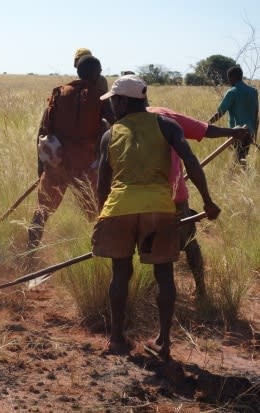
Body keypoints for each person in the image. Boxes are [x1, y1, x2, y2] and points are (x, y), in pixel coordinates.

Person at [93, 75, 221, 359]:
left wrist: (103, 214)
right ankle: (163, 342)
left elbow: (103, 182)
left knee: (120, 273)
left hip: (120, 209)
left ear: (124, 101)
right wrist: (208, 201)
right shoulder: (166, 125)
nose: (112, 106)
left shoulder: (109, 134)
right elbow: (190, 160)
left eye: (114, 101)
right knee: (164, 274)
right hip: (158, 210)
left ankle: (116, 340)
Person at [147, 106, 250, 298]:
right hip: (173, 197)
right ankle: (199, 291)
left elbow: (202, 130)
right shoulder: (163, 116)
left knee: (152, 248)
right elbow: (204, 130)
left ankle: (188, 291)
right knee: (187, 243)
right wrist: (232, 132)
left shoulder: (122, 123)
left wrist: (232, 132)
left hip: (137, 200)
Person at [27, 56, 115, 253]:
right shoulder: (101, 97)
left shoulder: (59, 93)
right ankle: (101, 254)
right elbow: (116, 127)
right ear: (97, 74)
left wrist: (41, 166)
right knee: (97, 213)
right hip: (86, 167)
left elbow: (43, 131)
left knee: (41, 212)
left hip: (57, 164)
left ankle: (29, 256)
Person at [207, 66, 259, 163]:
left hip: (236, 133)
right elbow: (256, 115)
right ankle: (243, 177)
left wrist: (206, 124)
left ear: (233, 77)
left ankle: (236, 177)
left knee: (237, 161)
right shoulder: (254, 92)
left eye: (229, 78)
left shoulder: (232, 92)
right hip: (249, 132)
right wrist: (254, 135)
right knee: (242, 159)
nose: (229, 81)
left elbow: (220, 113)